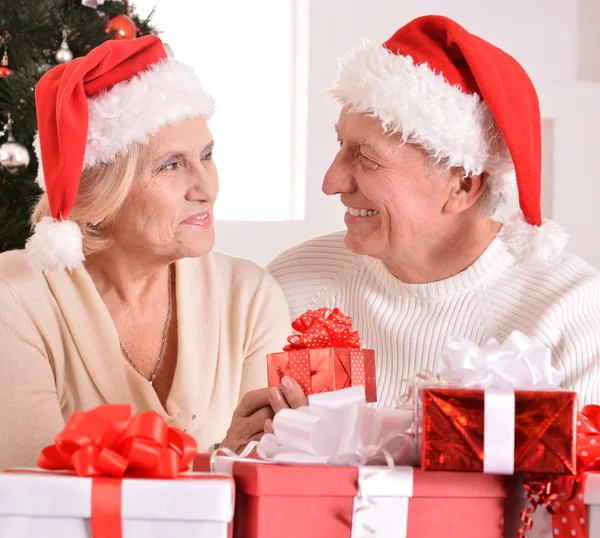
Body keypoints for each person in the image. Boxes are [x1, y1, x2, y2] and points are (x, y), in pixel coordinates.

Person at [0, 36, 303, 470]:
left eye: (207, 155)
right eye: (171, 165)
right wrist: (218, 461)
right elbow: (34, 497)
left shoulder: (249, 297)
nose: (206, 188)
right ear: (102, 193)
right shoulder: (15, 297)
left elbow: (269, 485)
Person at [269, 15, 600, 408]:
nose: (332, 182)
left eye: (366, 156)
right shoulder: (294, 286)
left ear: (461, 186)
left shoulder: (568, 311)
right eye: (341, 145)